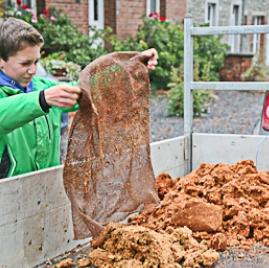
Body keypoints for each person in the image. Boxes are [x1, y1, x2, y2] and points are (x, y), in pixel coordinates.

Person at [0, 17, 158, 179]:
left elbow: (84, 90)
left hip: (46, 191)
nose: (33, 70)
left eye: (36, 62)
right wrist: (41, 100)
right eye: (25, 64)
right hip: (8, 196)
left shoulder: (44, 87)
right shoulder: (43, 94)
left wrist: (129, 68)